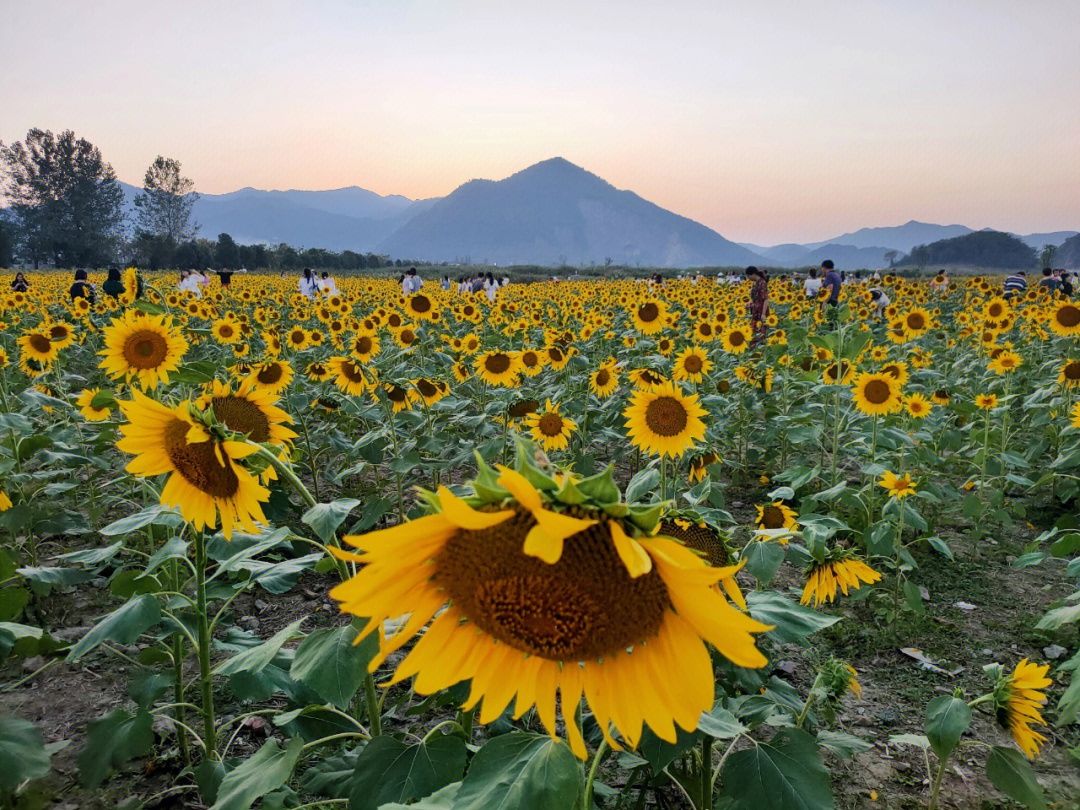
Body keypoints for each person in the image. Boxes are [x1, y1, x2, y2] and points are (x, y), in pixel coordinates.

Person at [747, 266, 769, 345]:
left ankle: (760, 351)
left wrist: (763, 313)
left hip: (761, 311)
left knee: (761, 332)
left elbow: (766, 299)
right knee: (753, 331)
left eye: (748, 276)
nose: (748, 278)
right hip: (755, 311)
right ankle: (753, 350)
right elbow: (755, 298)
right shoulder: (755, 283)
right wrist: (750, 302)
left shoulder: (762, 283)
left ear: (753, 274)